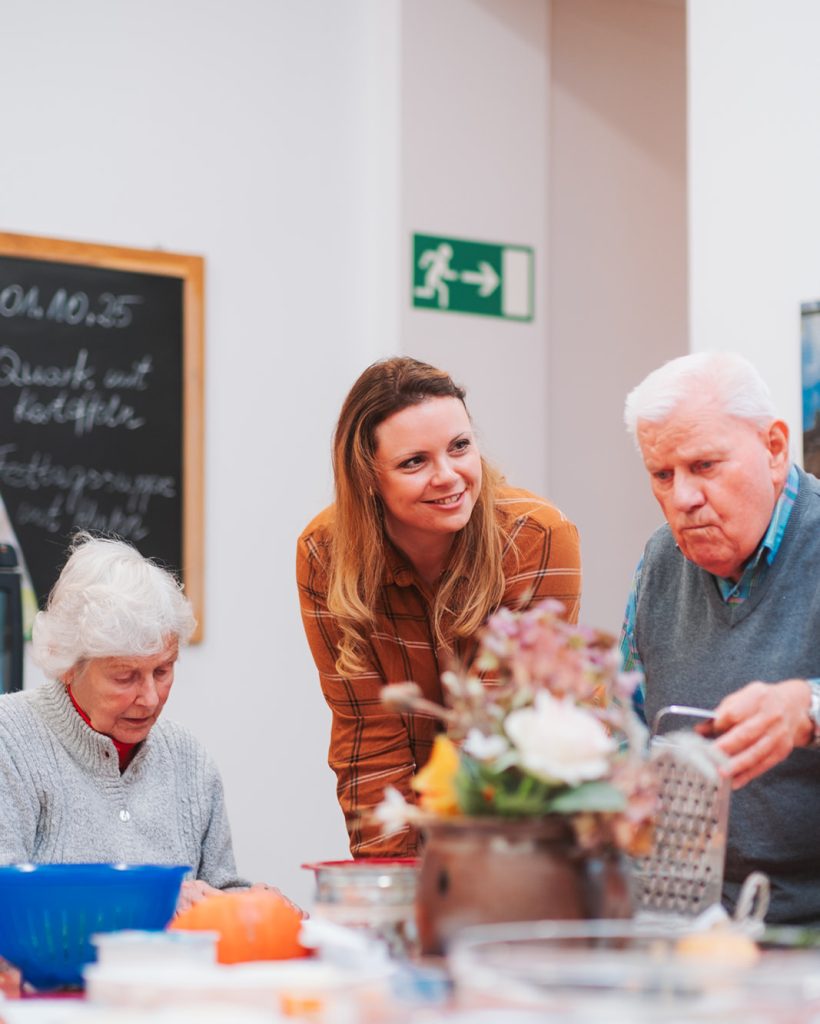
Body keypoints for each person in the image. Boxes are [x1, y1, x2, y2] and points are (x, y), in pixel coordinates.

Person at [297, 356, 582, 856]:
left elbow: (503, 738)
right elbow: (368, 742)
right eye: (415, 462)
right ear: (368, 477)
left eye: (460, 447)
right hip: (413, 831)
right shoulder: (325, 555)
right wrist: (395, 886)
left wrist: (460, 884)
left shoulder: (537, 538)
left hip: (532, 832)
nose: (448, 476)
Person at [621, 351, 820, 924]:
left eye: (704, 465)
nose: (682, 498)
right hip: (687, 917)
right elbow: (628, 723)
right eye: (663, 475)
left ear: (775, 449)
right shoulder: (661, 560)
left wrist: (806, 708)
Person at [0, 534, 268, 913]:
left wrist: (256, 906)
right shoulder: (9, 740)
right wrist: (153, 900)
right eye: (125, 676)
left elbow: (219, 892)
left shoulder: (190, 761)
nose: (151, 698)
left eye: (162, 670)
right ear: (68, 666)